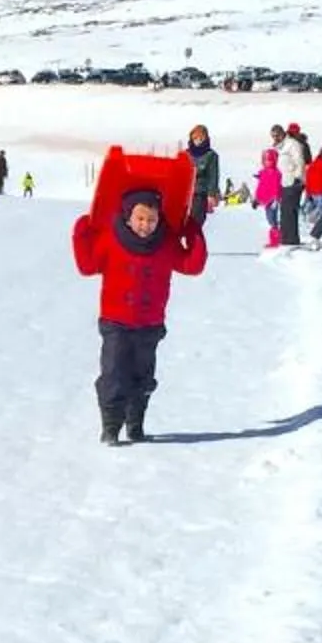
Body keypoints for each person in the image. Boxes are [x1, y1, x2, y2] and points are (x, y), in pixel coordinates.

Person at [72, 172, 206, 444]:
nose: (146, 225)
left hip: (150, 325)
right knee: (113, 376)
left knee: (142, 378)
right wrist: (81, 231)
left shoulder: (166, 242)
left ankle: (135, 425)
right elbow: (87, 266)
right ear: (128, 216)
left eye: (152, 219)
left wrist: (192, 230)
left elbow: (192, 265)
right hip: (116, 322)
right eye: (140, 218)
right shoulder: (112, 238)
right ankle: (110, 427)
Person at [273, 124, 311, 249]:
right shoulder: (282, 146)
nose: (275, 138)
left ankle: (290, 239)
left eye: (277, 135)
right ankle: (288, 238)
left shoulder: (292, 144)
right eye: (273, 136)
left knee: (289, 210)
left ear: (283, 133)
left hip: (293, 181)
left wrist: (297, 178)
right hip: (285, 182)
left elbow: (299, 161)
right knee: (285, 211)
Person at [185, 126, 221, 223]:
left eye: (201, 138)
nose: (198, 141)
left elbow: (213, 176)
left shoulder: (211, 155)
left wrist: (211, 195)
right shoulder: (186, 154)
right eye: (195, 138)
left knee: (196, 220)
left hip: (200, 193)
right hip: (186, 192)